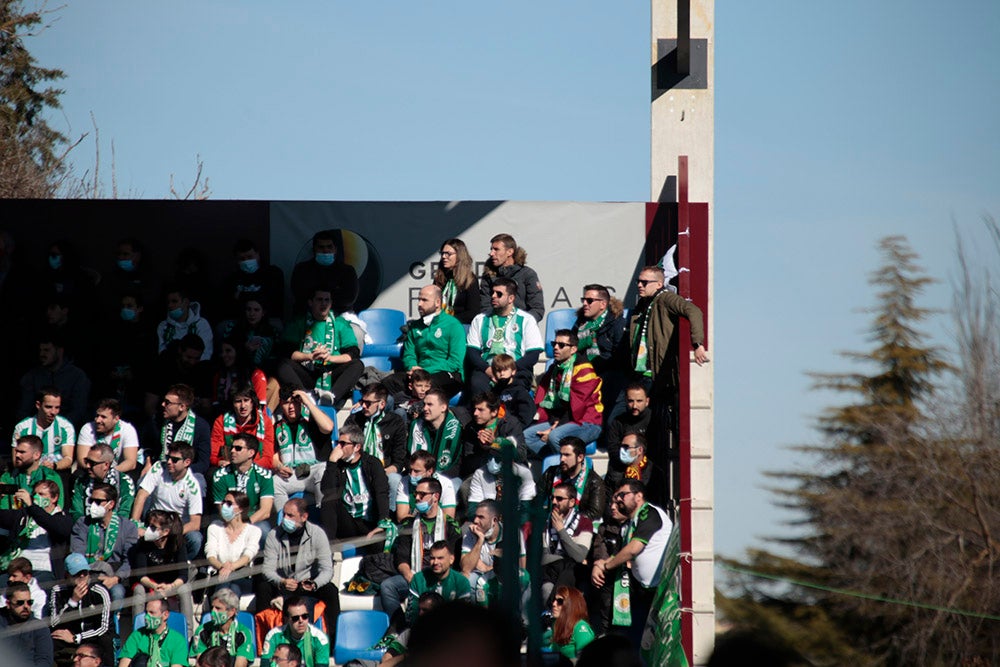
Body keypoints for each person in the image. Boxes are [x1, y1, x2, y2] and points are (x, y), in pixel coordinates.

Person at [591, 480, 672, 643]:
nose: (619, 499)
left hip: (659, 590)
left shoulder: (649, 513)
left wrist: (605, 566)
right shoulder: (629, 524)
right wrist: (598, 564)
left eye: (623, 494)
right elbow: (620, 554)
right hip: (641, 589)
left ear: (639, 496)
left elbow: (634, 549)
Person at [256, 499, 339, 642]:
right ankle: (264, 641)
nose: (285, 519)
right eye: (284, 514)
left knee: (330, 590)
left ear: (304, 517)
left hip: (307, 584)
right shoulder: (273, 535)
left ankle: (332, 640)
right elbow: (267, 570)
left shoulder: (317, 534)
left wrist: (314, 583)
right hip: (283, 583)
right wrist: (281, 581)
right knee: (263, 587)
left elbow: (327, 570)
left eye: (290, 515)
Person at [380, 477, 461, 619]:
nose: (417, 498)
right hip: (415, 575)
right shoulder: (409, 525)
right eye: (415, 494)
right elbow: (402, 556)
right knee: (388, 586)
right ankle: (399, 625)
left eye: (422, 494)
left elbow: (454, 559)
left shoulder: (451, 525)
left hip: (442, 577)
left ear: (435, 497)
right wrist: (409, 576)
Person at [277, 288, 364, 407]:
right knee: (282, 364)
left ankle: (331, 397)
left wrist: (329, 358)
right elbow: (287, 351)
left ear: (331, 303)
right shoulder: (299, 321)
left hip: (332, 371)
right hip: (307, 371)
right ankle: (305, 398)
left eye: (327, 300)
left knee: (357, 365)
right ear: (310, 302)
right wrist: (309, 356)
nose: (323, 304)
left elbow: (352, 353)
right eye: (319, 300)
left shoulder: (340, 323)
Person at [524, 329, 603, 458]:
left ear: (573, 349)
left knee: (555, 437)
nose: (555, 347)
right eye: (554, 343)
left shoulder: (584, 370)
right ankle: (557, 461)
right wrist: (555, 421)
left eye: (561, 345)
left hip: (587, 422)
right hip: (563, 420)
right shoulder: (555, 369)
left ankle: (571, 468)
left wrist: (554, 428)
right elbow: (552, 402)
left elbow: (578, 407)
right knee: (527, 437)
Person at [382, 285, 465, 397]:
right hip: (419, 374)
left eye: (424, 300)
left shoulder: (453, 325)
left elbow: (455, 362)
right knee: (389, 382)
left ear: (437, 302)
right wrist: (413, 368)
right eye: (419, 300)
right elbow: (409, 354)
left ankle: (417, 408)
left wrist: (424, 371)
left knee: (427, 386)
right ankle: (401, 410)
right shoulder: (415, 326)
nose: (419, 304)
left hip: (446, 374)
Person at [466, 276, 543, 395]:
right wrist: (488, 370)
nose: (493, 296)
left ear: (511, 298)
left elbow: (533, 355)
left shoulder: (527, 320)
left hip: (515, 369)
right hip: (488, 368)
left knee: (514, 390)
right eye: (492, 292)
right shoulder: (480, 319)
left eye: (499, 294)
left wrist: (509, 370)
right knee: (477, 384)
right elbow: (472, 351)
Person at [132, 442, 204, 560]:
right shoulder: (159, 467)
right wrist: (134, 522)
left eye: (174, 460)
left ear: (187, 462)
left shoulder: (192, 485)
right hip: (154, 520)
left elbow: (195, 524)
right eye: (168, 458)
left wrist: (170, 533)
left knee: (195, 539)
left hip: (177, 526)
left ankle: (185, 564)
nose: (169, 462)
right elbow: (142, 495)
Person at [319, 425, 389, 541]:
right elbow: (327, 491)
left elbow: (382, 492)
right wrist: (331, 463)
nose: (338, 447)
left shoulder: (372, 463)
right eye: (337, 443)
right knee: (328, 501)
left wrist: (382, 522)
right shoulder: (337, 466)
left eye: (343, 444)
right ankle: (327, 549)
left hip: (369, 522)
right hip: (348, 522)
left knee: (378, 544)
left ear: (357, 447)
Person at [128, 510, 195, 632]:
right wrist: (155, 586)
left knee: (185, 589)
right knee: (138, 590)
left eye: (153, 527)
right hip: (149, 584)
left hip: (172, 584)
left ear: (165, 532)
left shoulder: (178, 544)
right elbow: (141, 574)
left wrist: (170, 586)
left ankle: (188, 633)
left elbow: (183, 575)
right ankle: (137, 631)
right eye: (148, 526)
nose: (148, 529)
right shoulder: (143, 543)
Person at [69, 482, 138, 602]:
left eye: (98, 501)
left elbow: (129, 561)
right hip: (87, 574)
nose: (93, 505)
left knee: (117, 592)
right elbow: (77, 554)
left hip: (113, 575)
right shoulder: (82, 524)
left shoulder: (128, 527)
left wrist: (116, 578)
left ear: (111, 504)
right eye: (91, 501)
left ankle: (114, 619)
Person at [48, 553, 114, 667]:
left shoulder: (100, 592)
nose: (82, 576)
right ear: (67, 575)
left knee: (105, 640)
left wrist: (76, 638)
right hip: (67, 635)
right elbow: (54, 623)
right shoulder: (58, 591)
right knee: (51, 640)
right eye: (77, 574)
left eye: (85, 573)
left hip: (92, 637)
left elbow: (104, 628)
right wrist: (73, 601)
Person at [272, 388, 333, 511]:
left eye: (294, 402)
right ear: (280, 404)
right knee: (274, 482)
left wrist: (308, 401)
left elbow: (328, 427)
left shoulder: (313, 419)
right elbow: (273, 457)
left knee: (323, 472)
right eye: (286, 403)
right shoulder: (278, 426)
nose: (291, 407)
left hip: (315, 470)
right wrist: (279, 466)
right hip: (292, 473)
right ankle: (285, 519)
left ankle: (326, 514)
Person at [18, 331, 91, 429]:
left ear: (59, 351)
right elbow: (24, 410)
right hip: (36, 430)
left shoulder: (77, 376)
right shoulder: (32, 376)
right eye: (40, 350)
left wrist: (58, 428)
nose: (42, 354)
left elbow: (78, 410)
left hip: (68, 430)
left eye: (47, 350)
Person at [0, 482, 72, 581]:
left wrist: (31, 505)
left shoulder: (63, 519)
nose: (36, 497)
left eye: (41, 494)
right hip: (18, 570)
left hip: (43, 570)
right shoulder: (24, 515)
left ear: (54, 498)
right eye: (35, 494)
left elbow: (50, 523)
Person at [343, 383, 407, 495]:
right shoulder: (354, 420)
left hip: (384, 470)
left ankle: (390, 513)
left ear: (382, 404)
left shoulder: (395, 423)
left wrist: (381, 473)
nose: (363, 406)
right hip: (357, 468)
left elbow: (399, 461)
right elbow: (344, 448)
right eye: (362, 402)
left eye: (368, 403)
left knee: (395, 480)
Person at [459, 501, 524, 606]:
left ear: (494, 520)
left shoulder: (513, 534)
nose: (475, 521)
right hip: (479, 576)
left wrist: (489, 568)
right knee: (465, 580)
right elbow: (466, 568)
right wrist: (480, 540)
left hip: (504, 576)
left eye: (481, 517)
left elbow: (521, 567)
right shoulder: (470, 534)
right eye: (475, 516)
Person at [210, 433, 274, 537]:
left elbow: (265, 511)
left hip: (253, 520)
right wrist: (236, 526)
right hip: (228, 521)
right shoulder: (220, 476)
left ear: (251, 453)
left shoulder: (264, 476)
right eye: (232, 448)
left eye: (238, 448)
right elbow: (222, 510)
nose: (232, 451)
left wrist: (246, 524)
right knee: (214, 528)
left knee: (264, 530)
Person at [142, 384, 212, 478]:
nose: (162, 404)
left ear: (182, 407)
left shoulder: (201, 426)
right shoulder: (157, 422)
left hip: (189, 474)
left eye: (167, 402)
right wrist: (148, 463)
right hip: (160, 470)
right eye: (163, 401)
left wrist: (180, 472)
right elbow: (148, 447)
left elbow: (203, 463)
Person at [541, 482, 594, 602]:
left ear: (571, 502)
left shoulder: (584, 523)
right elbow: (542, 557)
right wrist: (563, 560)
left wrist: (561, 530)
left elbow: (579, 556)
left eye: (559, 499)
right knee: (546, 587)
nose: (554, 502)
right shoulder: (545, 522)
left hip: (573, 575)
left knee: (569, 571)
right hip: (548, 572)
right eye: (552, 498)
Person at [204, 491, 261, 598]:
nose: (224, 506)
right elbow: (210, 553)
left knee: (231, 585)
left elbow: (248, 555)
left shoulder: (254, 531)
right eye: (223, 502)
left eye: (229, 503)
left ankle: (219, 613)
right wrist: (222, 567)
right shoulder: (214, 527)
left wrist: (231, 568)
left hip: (242, 576)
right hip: (219, 574)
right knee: (229, 587)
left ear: (240, 509)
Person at [290, 229, 359, 315]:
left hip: (340, 316)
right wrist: (334, 291)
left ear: (335, 249)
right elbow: (300, 296)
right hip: (308, 315)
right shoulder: (302, 269)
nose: (325, 250)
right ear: (314, 249)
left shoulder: (347, 271)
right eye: (321, 247)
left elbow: (348, 299)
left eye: (329, 246)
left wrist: (316, 295)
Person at [478, 233, 544, 321]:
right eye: (491, 249)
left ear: (509, 252)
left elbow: (537, 309)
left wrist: (519, 323)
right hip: (494, 325)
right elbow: (485, 306)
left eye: (496, 249)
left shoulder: (528, 274)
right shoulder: (489, 275)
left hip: (521, 328)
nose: (491, 253)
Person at [459, 392, 525, 477]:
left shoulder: (510, 424)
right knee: (464, 488)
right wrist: (483, 448)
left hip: (510, 473)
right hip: (481, 474)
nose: (475, 413)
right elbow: (468, 462)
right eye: (475, 409)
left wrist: (495, 443)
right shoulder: (471, 427)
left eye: (481, 410)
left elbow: (521, 455)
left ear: (494, 412)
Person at [210, 384, 276, 469]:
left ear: (252, 402)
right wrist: (219, 462)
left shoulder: (265, 422)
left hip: (255, 469)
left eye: (246, 400)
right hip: (228, 468)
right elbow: (213, 455)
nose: (243, 406)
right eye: (238, 401)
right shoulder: (221, 421)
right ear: (232, 404)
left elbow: (268, 459)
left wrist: (246, 467)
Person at [465, 440, 535, 518]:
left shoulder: (524, 475)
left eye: (497, 458)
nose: (492, 461)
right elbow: (473, 508)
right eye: (490, 456)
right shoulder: (480, 474)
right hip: (487, 522)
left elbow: (526, 509)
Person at [11, 387, 76, 472]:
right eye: (48, 407)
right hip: (28, 473)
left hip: (55, 472)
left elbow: (68, 458)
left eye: (57, 407)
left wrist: (54, 465)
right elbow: (16, 462)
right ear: (38, 405)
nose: (53, 412)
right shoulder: (22, 427)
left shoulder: (66, 427)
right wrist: (36, 466)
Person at [540, 438, 606, 521]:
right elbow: (536, 500)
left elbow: (594, 513)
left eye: (567, 455)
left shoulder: (594, 481)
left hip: (580, 528)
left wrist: (566, 520)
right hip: (551, 523)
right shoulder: (551, 473)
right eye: (561, 455)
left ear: (580, 457)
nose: (562, 459)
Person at [220, 238, 285, 321]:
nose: (246, 261)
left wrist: (240, 296)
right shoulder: (232, 279)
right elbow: (228, 304)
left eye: (250, 257)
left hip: (268, 319)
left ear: (258, 254)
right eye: (242, 259)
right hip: (240, 321)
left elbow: (273, 300)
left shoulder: (273, 273)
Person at [407, 541, 472, 624]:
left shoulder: (461, 582)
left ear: (451, 559)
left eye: (440, 558)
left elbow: (464, 616)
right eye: (432, 558)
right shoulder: (418, 579)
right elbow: (412, 615)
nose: (435, 562)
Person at [573, 284, 628, 380]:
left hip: (608, 375)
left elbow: (620, 357)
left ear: (603, 304)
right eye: (584, 300)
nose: (585, 303)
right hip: (581, 372)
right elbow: (571, 346)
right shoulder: (580, 323)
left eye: (589, 301)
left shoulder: (617, 323)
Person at [190, 588, 255, 667]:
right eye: (212, 607)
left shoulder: (243, 633)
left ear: (231, 612)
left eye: (218, 608)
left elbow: (240, 665)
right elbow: (200, 664)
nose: (213, 612)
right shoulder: (202, 631)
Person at [406, 389, 463, 481]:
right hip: (417, 476)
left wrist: (436, 479)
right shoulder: (416, 425)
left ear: (443, 408)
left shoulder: (457, 429)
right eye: (424, 404)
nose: (424, 408)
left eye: (430, 405)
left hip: (447, 478)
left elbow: (457, 464)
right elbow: (408, 458)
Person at [70, 443, 136, 521]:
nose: (87, 466)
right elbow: (76, 512)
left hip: (115, 528)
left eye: (92, 463)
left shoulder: (124, 482)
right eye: (86, 461)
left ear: (106, 465)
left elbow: (124, 513)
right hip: (85, 527)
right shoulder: (81, 481)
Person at [603, 433, 667, 511]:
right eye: (621, 447)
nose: (622, 451)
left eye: (626, 447)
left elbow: (658, 504)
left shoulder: (655, 473)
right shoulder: (615, 469)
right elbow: (607, 499)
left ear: (639, 450)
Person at [117, 597, 188, 667]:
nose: (146, 617)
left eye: (152, 612)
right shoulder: (137, 635)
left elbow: (177, 665)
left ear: (165, 615)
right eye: (146, 612)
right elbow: (123, 664)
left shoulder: (177, 640)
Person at [260, 597, 330, 667]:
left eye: (304, 616)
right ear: (286, 619)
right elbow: (265, 665)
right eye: (295, 618)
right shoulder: (274, 635)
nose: (301, 621)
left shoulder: (320, 639)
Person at [76, 399, 140, 473]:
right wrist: (98, 472)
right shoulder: (87, 428)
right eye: (97, 416)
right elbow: (82, 460)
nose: (98, 420)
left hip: (117, 472)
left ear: (116, 419)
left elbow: (131, 462)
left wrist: (108, 473)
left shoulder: (128, 430)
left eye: (103, 417)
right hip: (91, 472)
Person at [0, 435, 64, 510]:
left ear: (37, 455)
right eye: (16, 451)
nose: (17, 455)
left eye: (22, 452)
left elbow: (57, 509)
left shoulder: (50, 476)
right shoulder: (8, 477)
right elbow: (4, 510)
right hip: (14, 520)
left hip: (42, 520)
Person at [209, 339, 268, 416]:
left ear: (238, 352)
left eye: (228, 351)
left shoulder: (256, 375)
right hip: (224, 421)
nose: (223, 355)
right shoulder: (219, 376)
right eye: (222, 352)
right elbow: (216, 406)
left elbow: (260, 409)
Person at [604, 383, 652, 478]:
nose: (634, 405)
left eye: (639, 401)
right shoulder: (618, 422)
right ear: (625, 401)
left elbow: (657, 450)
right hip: (621, 470)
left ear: (647, 401)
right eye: (630, 401)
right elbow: (613, 450)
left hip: (648, 470)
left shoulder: (654, 420)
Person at [0, 582, 53, 667]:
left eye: (29, 602)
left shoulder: (39, 628)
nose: (26, 606)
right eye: (20, 603)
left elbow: (44, 660)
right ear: (8, 604)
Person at [393, 451, 457, 522]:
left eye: (416, 471)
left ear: (429, 471)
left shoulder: (446, 484)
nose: (412, 474)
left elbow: (449, 518)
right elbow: (401, 517)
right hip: (412, 528)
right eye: (411, 470)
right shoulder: (404, 482)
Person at [156, 284, 213, 361]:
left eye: (174, 301)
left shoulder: (202, 324)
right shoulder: (163, 326)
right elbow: (161, 353)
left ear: (185, 302)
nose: (170, 305)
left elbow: (206, 354)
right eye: (168, 302)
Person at [433, 239, 480, 324]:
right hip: (439, 323)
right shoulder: (439, 277)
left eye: (448, 254)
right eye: (442, 253)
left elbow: (473, 312)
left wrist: (449, 321)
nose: (444, 256)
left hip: (460, 325)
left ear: (459, 256)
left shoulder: (470, 279)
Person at [543, 586, 595, 661]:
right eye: (554, 600)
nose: (554, 604)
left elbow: (587, 660)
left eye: (560, 601)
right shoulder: (556, 624)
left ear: (571, 605)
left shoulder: (580, 627)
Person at [487, 354, 534, 429]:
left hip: (514, 428)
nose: (502, 373)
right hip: (496, 427)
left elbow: (527, 414)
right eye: (498, 370)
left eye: (505, 370)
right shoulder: (494, 391)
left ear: (513, 371)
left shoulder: (519, 391)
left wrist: (515, 428)